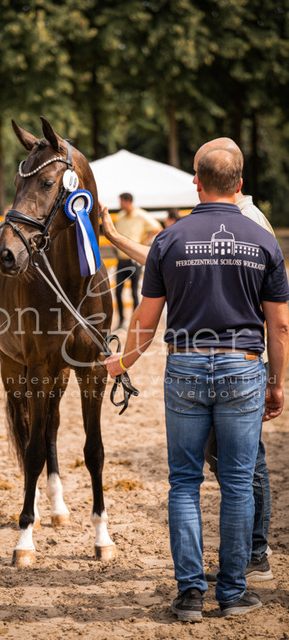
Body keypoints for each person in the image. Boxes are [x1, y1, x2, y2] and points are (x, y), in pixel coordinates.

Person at [105, 148, 289, 621]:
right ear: (240, 184)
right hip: (242, 368)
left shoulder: (169, 239)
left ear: (196, 182)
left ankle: (189, 593)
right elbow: (280, 326)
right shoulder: (263, 240)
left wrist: (121, 363)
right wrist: (276, 384)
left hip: (185, 365)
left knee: (184, 483)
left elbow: (146, 320)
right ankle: (232, 592)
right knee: (237, 485)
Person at [112, 193, 162, 329]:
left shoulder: (141, 215)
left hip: (134, 260)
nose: (120, 204)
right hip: (121, 260)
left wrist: (144, 241)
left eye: (121, 201)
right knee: (118, 292)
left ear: (128, 201)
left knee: (134, 292)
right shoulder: (121, 216)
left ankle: (135, 322)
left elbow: (157, 228)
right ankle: (122, 320)